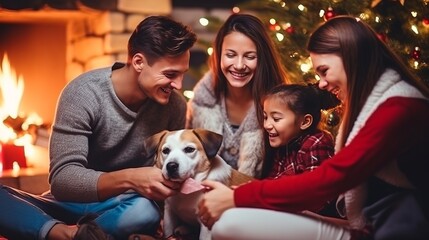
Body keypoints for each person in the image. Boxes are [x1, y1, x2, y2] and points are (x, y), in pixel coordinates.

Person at [197, 15, 429, 240]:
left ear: (350, 59)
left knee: (229, 224)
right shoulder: (378, 103)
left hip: (385, 228)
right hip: (365, 223)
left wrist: (237, 196)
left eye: (324, 71)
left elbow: (332, 179)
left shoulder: (398, 109)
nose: (321, 83)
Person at [0, 15, 197, 240]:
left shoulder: (175, 106)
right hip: (67, 203)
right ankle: (63, 233)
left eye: (183, 74)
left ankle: (66, 234)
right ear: (139, 62)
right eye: (171, 74)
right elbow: (62, 181)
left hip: (127, 206)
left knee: (143, 212)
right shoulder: (83, 93)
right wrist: (131, 177)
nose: (179, 85)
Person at [186, 13, 289, 178]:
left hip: (254, 198)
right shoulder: (201, 100)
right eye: (231, 55)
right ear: (219, 55)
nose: (239, 65)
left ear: (262, 59)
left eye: (249, 57)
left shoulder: (280, 104)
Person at [261, 83, 340, 217]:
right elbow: (272, 181)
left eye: (276, 119)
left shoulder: (317, 142)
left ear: (305, 122)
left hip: (312, 219)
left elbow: (318, 195)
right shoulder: (284, 144)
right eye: (265, 117)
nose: (267, 125)